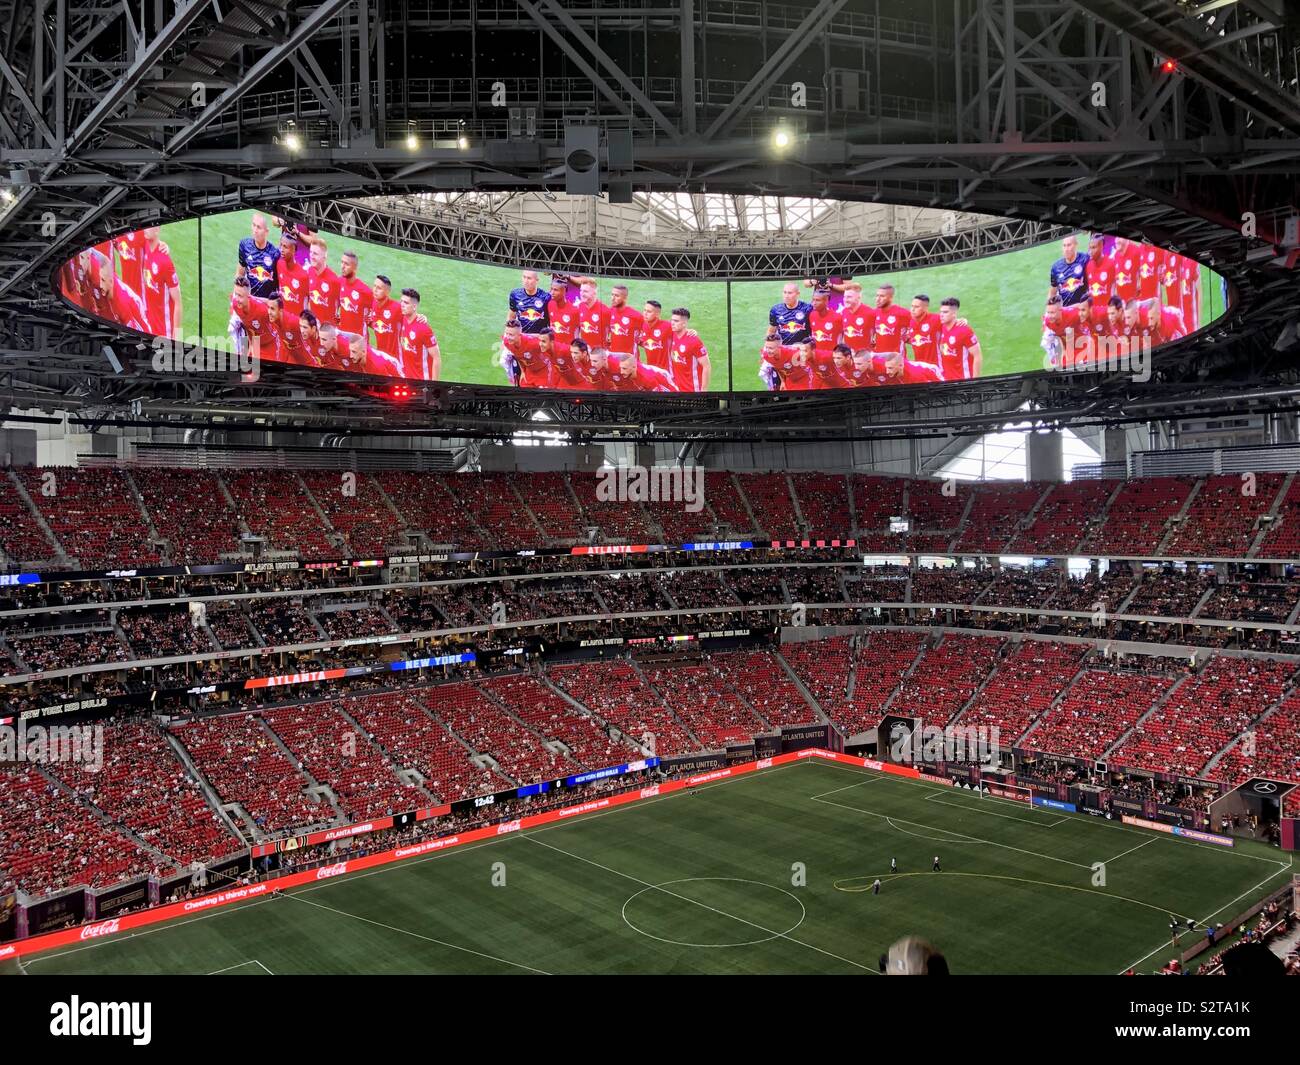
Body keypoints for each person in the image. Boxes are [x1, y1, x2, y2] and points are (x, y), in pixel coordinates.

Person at [236, 212, 281, 299]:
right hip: (249, 301)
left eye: (259, 227)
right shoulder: (245, 246)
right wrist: (236, 293)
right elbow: (240, 273)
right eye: (254, 225)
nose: (255, 230)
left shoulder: (274, 254)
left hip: (266, 304)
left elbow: (278, 284)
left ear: (266, 232)